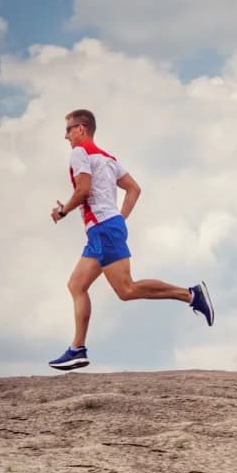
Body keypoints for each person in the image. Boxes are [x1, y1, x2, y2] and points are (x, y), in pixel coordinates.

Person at [48, 108, 213, 371]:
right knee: (76, 285)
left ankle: (191, 295)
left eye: (68, 129)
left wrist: (62, 211)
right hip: (104, 228)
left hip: (103, 228)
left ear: (81, 129)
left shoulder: (79, 153)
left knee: (126, 290)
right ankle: (77, 349)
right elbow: (134, 189)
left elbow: (83, 190)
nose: (65, 136)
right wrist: (120, 218)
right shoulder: (108, 158)